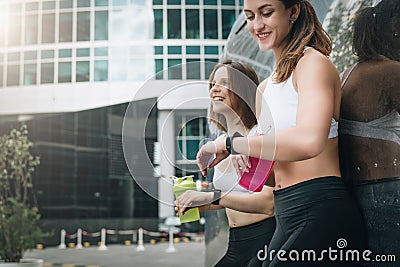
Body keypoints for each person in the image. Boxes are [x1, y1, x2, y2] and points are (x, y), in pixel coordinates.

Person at [196, 1, 365, 266]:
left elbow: (310, 141)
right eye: (250, 16)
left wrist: (232, 144)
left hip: (319, 207)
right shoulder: (264, 88)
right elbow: (271, 176)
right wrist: (247, 160)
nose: (257, 25)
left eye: (267, 13)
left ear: (293, 11)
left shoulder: (312, 64)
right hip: (286, 212)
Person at [175, 60, 276, 267]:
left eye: (224, 83)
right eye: (212, 84)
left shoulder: (259, 136)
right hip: (236, 244)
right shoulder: (220, 142)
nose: (214, 89)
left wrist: (212, 197)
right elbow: (231, 199)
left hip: (264, 244)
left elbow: (268, 204)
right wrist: (199, 203)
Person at [339, 1, 400, 266]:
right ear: (391, 28)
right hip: (388, 188)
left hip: (356, 191)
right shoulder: (390, 71)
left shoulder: (345, 75)